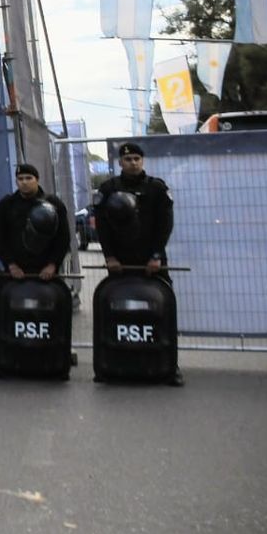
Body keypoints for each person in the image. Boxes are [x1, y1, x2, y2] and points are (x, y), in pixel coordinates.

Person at [93, 141, 181, 385]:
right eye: (127, 159)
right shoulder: (109, 189)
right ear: (120, 163)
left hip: (152, 259)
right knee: (117, 309)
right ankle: (112, 364)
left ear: (142, 161)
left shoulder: (156, 188)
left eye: (136, 159)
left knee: (161, 311)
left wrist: (155, 256)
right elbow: (102, 227)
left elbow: (165, 225)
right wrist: (109, 256)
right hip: (120, 260)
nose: (133, 163)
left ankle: (169, 367)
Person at [0, 163, 71, 281]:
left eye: (29, 178)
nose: (24, 182)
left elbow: (63, 237)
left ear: (37, 180)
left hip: (46, 270)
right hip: (17, 271)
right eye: (20, 179)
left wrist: (52, 264)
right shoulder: (6, 205)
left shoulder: (53, 204)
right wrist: (11, 265)